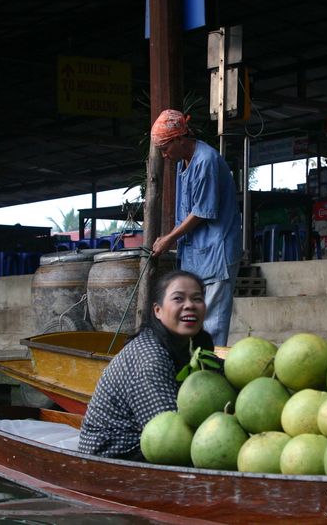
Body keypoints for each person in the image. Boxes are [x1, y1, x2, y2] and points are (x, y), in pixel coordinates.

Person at [78, 270, 213, 459]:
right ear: (158, 310)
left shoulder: (196, 347)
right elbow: (170, 435)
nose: (189, 305)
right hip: (111, 455)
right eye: (178, 299)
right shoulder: (149, 357)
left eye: (197, 299)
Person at [150, 109, 242, 347]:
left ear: (180, 139)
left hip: (215, 252)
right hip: (197, 255)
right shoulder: (184, 163)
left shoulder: (206, 160)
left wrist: (169, 238)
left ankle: (209, 375)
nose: (164, 154)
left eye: (165, 148)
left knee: (212, 324)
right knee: (193, 323)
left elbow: (202, 211)